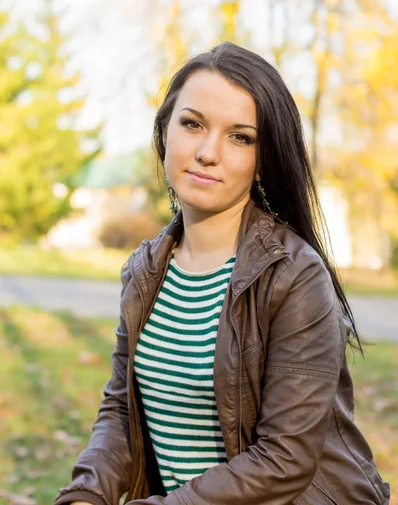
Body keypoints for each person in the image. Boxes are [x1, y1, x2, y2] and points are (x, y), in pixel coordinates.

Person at [54, 42, 390, 505]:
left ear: (261, 161)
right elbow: (120, 412)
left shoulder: (295, 277)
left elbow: (284, 458)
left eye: (240, 137)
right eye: (192, 124)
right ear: (164, 133)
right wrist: (85, 494)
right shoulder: (145, 271)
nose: (208, 152)